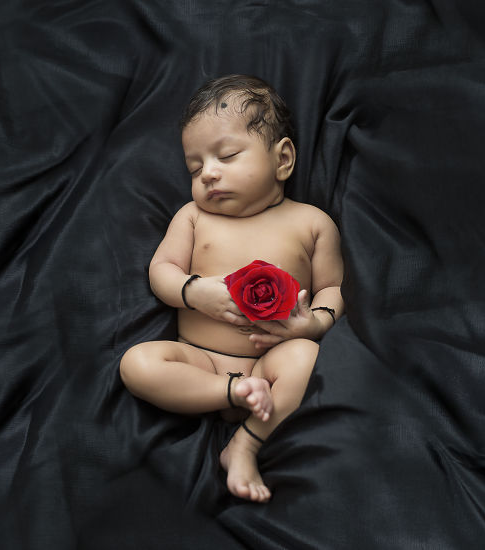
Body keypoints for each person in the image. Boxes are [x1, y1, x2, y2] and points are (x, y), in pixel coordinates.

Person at [119, 75, 344, 502]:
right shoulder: (193, 216)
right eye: (195, 167)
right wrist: (193, 291)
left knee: (306, 358)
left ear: (282, 159)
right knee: (137, 363)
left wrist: (313, 324)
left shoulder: (312, 224)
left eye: (226, 155)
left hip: (268, 366)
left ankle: (246, 444)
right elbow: (161, 270)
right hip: (200, 361)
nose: (208, 173)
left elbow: (332, 288)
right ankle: (231, 392)